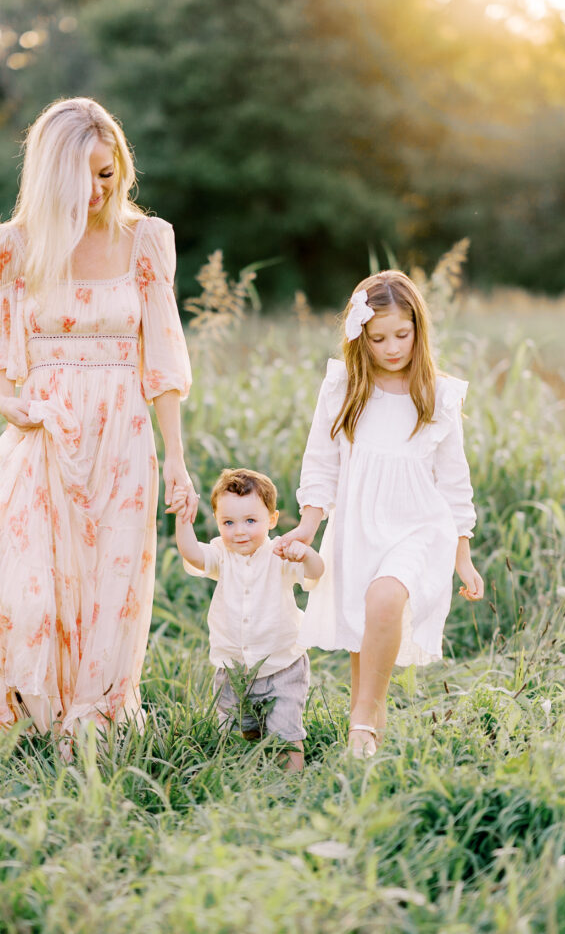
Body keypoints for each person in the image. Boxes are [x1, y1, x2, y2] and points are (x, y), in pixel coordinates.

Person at [0, 97, 196, 751]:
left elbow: (164, 359)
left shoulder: (146, 241)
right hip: (48, 427)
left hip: (123, 429)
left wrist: (177, 458)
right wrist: (10, 402)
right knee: (33, 574)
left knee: (116, 573)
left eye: (108, 174)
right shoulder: (14, 248)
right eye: (82, 175)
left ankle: (95, 712)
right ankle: (42, 703)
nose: (96, 190)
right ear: (50, 174)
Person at [275, 271, 483, 759]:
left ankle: (362, 723)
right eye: (378, 338)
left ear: (419, 329)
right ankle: (368, 726)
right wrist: (308, 525)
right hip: (359, 525)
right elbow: (321, 464)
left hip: (420, 527)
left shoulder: (438, 395)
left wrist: (463, 554)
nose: (392, 348)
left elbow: (453, 481)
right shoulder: (345, 387)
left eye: (402, 335)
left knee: (386, 597)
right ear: (360, 338)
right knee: (362, 627)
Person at [174, 468, 324, 772]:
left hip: (282, 666)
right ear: (217, 522)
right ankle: (241, 778)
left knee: (286, 732)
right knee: (236, 734)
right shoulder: (221, 554)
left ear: (272, 519)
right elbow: (192, 553)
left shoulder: (280, 553)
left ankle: (293, 783)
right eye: (228, 523)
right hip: (233, 670)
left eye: (250, 521)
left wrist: (304, 553)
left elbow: (316, 572)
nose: (239, 531)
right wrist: (182, 517)